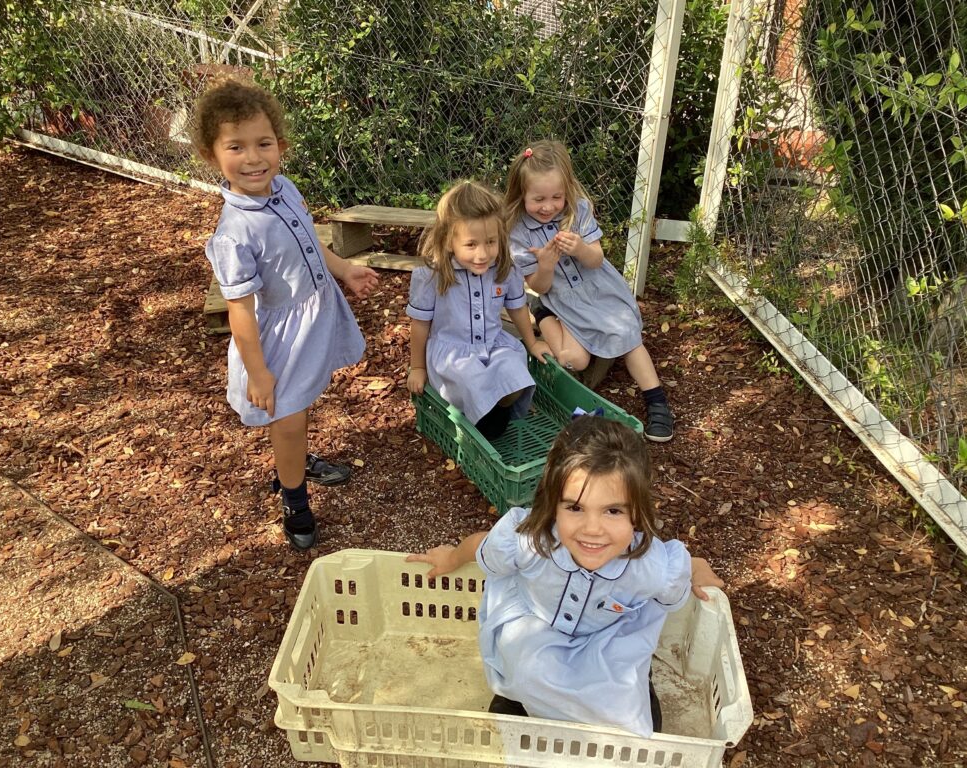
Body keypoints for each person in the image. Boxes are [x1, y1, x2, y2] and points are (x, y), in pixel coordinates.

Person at [406, 416, 723, 736]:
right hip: (537, 627)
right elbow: (481, 545)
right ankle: (518, 702)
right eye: (575, 508)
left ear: (637, 514)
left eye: (612, 511)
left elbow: (679, 567)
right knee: (528, 673)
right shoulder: (533, 540)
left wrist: (697, 569)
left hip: (605, 643)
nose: (592, 529)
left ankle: (624, 692)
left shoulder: (649, 566)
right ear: (552, 504)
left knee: (628, 720)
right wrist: (451, 556)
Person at [192, 77, 378, 551]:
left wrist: (342, 271)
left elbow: (310, 242)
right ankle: (294, 497)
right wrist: (258, 371)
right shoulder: (234, 232)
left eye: (263, 144)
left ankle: (294, 457)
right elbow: (240, 309)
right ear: (213, 157)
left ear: (281, 145)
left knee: (300, 410)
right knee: (289, 417)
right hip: (276, 342)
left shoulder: (285, 189)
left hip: (312, 319)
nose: (253, 158)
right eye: (236, 147)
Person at [504, 140, 675, 443]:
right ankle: (541, 312)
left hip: (598, 290)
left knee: (626, 334)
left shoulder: (577, 210)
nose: (548, 206)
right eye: (538, 199)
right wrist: (544, 265)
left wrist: (581, 248)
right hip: (561, 300)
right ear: (522, 194)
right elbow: (539, 286)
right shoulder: (517, 230)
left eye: (557, 196)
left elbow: (596, 260)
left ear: (567, 189)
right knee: (575, 361)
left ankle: (657, 400)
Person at [406, 180, 552, 440]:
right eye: (471, 245)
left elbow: (518, 308)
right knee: (471, 378)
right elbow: (420, 325)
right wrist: (417, 367)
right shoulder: (432, 276)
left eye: (491, 242)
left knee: (515, 370)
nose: (483, 254)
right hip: (453, 353)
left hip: (494, 345)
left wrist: (532, 343)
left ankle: (494, 415)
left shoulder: (505, 269)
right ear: (450, 241)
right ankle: (483, 427)